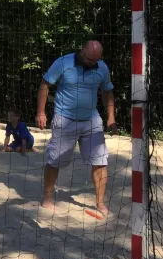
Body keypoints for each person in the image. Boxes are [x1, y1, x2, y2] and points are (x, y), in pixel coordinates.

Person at [36, 40, 117, 216]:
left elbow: (107, 92)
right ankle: (47, 198)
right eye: (89, 59)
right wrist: (41, 113)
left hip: (92, 121)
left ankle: (100, 203)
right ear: (82, 51)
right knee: (55, 160)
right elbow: (45, 84)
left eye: (95, 61)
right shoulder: (63, 63)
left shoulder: (102, 67)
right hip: (65, 119)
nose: (91, 63)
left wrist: (111, 117)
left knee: (100, 161)